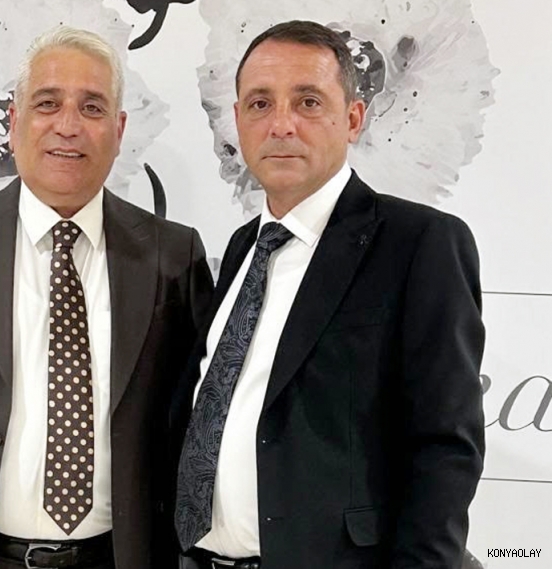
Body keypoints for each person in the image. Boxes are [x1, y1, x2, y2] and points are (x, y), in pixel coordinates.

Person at [0, 26, 213, 569]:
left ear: (119, 130)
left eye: (92, 107)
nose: (68, 126)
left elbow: (196, 429)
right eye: (47, 103)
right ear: (14, 122)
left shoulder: (173, 255)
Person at [173, 20, 485, 569]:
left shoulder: (419, 244)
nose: (281, 125)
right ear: (238, 121)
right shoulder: (244, 247)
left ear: (354, 119)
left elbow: (445, 448)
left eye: (308, 102)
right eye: (260, 104)